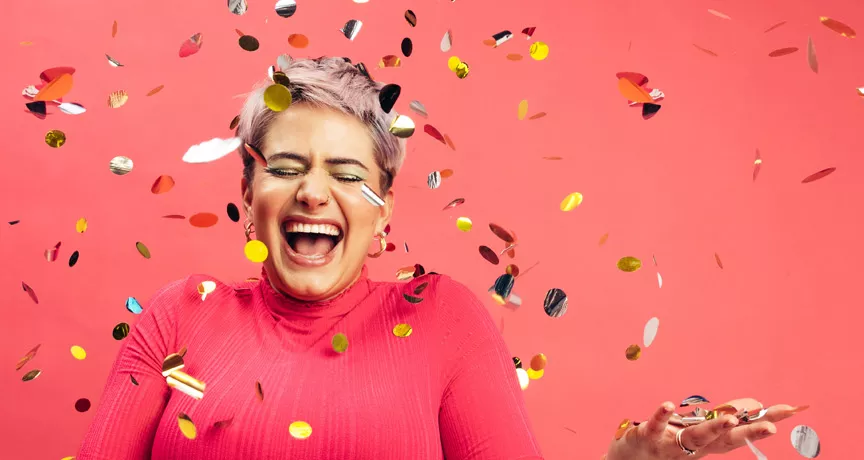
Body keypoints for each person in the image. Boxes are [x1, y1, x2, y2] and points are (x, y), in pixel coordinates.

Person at [78, 56, 804, 459]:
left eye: (349, 175)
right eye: (287, 165)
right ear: (248, 190)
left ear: (385, 210)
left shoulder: (443, 321)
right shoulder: (177, 317)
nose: (313, 193)